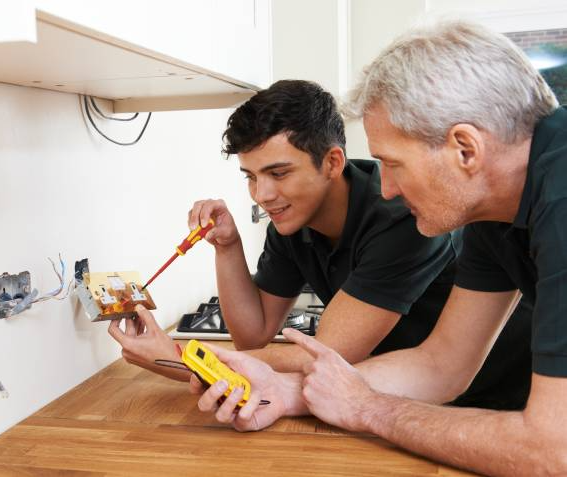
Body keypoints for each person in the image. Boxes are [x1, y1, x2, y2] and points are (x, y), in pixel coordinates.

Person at [192, 21, 567, 476]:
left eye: (393, 163)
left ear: (465, 149)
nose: (385, 188)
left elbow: (552, 451)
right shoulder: (492, 205)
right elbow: (442, 364)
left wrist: (369, 409)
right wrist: (293, 392)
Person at [110, 79, 531, 410]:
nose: (262, 194)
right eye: (251, 177)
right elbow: (253, 336)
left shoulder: (400, 218)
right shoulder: (293, 224)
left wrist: (179, 357)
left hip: (507, 394)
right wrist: (228, 246)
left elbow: (327, 356)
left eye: (278, 173)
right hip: (415, 390)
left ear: (332, 162)